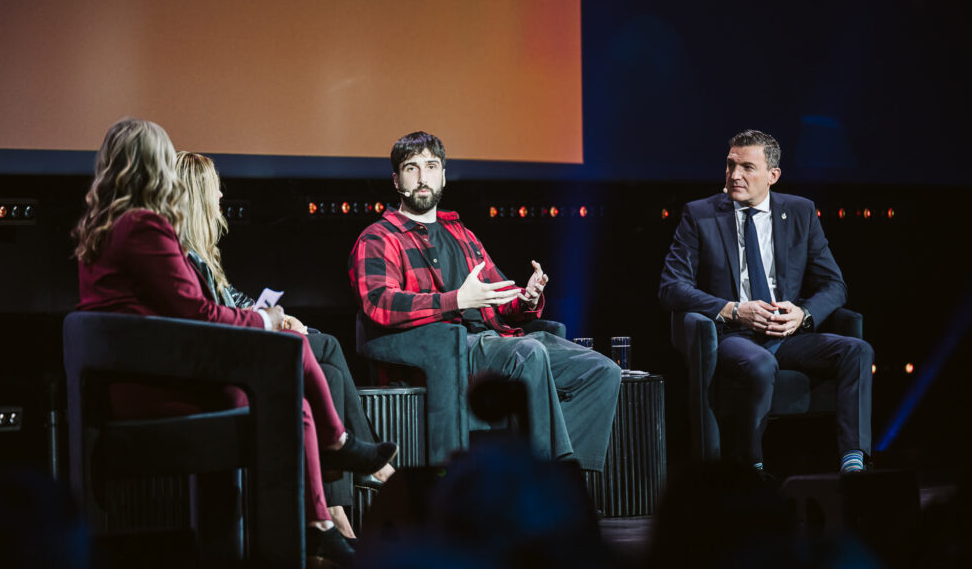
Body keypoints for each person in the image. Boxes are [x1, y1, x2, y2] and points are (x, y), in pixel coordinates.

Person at [74, 118, 395, 569]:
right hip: (158, 386)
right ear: (155, 167)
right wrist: (264, 320)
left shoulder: (103, 230)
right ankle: (329, 480)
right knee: (288, 368)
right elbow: (199, 313)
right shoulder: (144, 227)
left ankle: (321, 515)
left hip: (140, 378)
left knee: (293, 383)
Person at [349, 131, 622, 471]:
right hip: (447, 350)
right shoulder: (378, 238)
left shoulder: (461, 234)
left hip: (496, 343)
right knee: (528, 353)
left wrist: (527, 298)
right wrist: (456, 300)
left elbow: (499, 297)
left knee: (602, 371)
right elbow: (378, 302)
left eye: (431, 167)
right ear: (396, 180)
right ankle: (538, 480)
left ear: (443, 176)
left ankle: (561, 477)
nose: (422, 178)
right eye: (411, 168)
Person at [174, 150, 395, 536]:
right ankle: (365, 466)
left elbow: (232, 300)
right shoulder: (184, 255)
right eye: (215, 188)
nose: (222, 196)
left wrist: (276, 316)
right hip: (232, 358)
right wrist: (270, 324)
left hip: (242, 340)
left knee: (329, 367)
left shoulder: (200, 252)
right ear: (196, 194)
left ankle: (336, 510)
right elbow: (211, 318)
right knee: (323, 346)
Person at [658, 129, 873, 474]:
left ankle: (854, 462)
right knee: (761, 365)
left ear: (773, 175)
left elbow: (835, 285)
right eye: (730, 165)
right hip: (733, 336)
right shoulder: (699, 215)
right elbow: (671, 287)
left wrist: (803, 314)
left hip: (788, 334)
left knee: (857, 351)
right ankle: (752, 468)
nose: (734, 175)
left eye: (747, 167)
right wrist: (734, 310)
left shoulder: (800, 211)